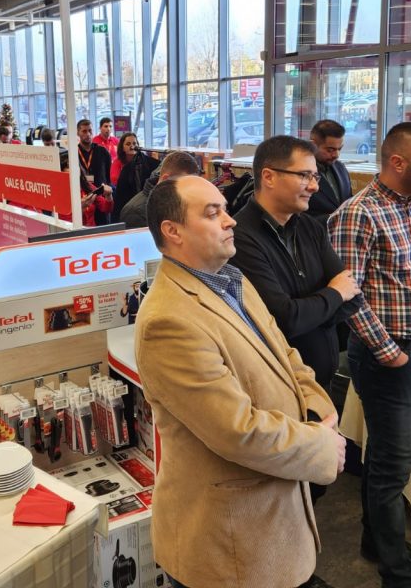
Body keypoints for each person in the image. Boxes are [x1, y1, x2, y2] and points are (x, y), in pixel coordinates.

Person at [135, 175, 345, 588]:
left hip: (272, 522)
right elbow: (236, 431)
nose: (230, 220)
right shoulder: (168, 321)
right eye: (212, 213)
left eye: (225, 209)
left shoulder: (233, 281)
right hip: (229, 547)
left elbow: (286, 356)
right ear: (173, 231)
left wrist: (319, 412)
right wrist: (320, 444)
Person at [328, 122, 411, 588]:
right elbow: (347, 295)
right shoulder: (357, 214)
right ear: (398, 162)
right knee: (393, 468)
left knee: (384, 457)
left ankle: (376, 541)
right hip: (387, 361)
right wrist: (389, 353)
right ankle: (396, 574)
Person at [231, 136, 363, 393]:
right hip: (278, 388)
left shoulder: (311, 228)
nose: (314, 186)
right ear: (268, 177)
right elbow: (285, 319)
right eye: (304, 176)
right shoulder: (240, 238)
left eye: (315, 176)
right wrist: (335, 294)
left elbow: (354, 298)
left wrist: (311, 313)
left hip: (321, 382)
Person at [119, 150, 199, 229]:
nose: (188, 190)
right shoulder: (135, 212)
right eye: (184, 184)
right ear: (165, 180)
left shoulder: (179, 202)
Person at [308, 120, 353, 222]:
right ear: (313, 145)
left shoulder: (340, 168)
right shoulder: (300, 173)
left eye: (339, 149)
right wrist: (335, 218)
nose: (336, 155)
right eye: (330, 150)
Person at [76, 119, 112, 224]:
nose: (88, 134)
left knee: (103, 227)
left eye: (90, 131)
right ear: (78, 133)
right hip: (82, 199)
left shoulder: (103, 151)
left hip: (101, 197)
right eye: (84, 131)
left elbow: (107, 176)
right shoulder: (73, 153)